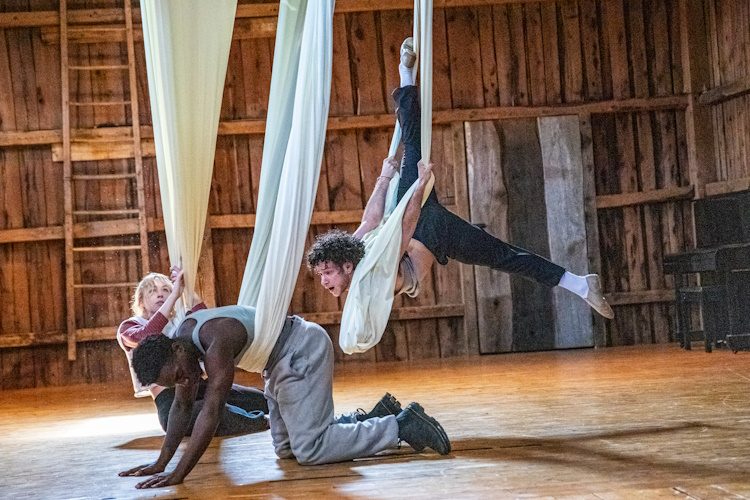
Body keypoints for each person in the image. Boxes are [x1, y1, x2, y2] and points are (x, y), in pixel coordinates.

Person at [306, 37, 614, 320]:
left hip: (412, 218)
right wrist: (418, 187)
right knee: (503, 256)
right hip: (424, 227)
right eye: (322, 276)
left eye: (327, 273)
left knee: (414, 145)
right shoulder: (369, 281)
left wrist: (385, 179)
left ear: (345, 264)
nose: (324, 282)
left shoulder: (357, 251)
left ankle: (405, 75)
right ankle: (582, 285)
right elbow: (399, 234)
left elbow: (372, 221)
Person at [119, 305, 451, 488]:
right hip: (277, 364)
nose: (186, 380)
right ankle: (362, 421)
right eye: (177, 380)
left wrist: (180, 474)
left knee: (311, 449)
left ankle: (401, 425)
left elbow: (211, 411)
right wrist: (161, 462)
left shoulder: (213, 340)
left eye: (180, 374)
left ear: (176, 350)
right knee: (286, 449)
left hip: (300, 349)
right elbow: (180, 405)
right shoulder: (183, 347)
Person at [117, 267, 268, 436]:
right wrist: (174, 295)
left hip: (201, 386)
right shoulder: (130, 326)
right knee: (194, 415)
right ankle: (262, 421)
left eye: (166, 290)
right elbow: (145, 337)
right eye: (152, 291)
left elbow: (204, 315)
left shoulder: (178, 321)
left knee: (264, 399)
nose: (160, 294)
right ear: (141, 302)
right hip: (168, 397)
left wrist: (186, 288)